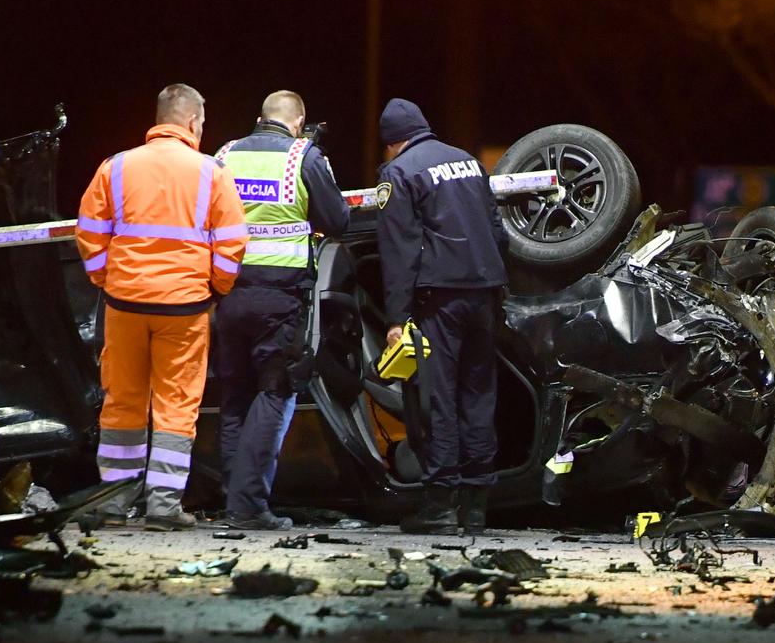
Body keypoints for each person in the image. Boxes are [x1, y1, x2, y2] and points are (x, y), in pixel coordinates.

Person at [75, 84, 248, 530]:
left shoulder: (115, 167)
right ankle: (163, 507)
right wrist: (215, 288)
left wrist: (106, 278)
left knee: (122, 400)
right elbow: (231, 243)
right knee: (176, 405)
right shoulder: (211, 172)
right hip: (184, 308)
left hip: (125, 303)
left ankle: (113, 503)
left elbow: (90, 233)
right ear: (192, 121)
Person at [212, 91, 350, 529]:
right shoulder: (303, 157)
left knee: (235, 397)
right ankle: (249, 506)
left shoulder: (225, 154)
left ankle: (232, 499)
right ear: (299, 122)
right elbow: (339, 221)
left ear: (260, 119)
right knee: (276, 393)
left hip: (229, 295)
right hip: (280, 300)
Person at [374, 98, 509, 534]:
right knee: (478, 397)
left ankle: (440, 508)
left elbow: (398, 251)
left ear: (392, 143)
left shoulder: (398, 172)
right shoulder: (466, 162)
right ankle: (476, 508)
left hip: (440, 300)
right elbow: (495, 230)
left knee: (440, 400)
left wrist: (396, 317)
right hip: (485, 294)